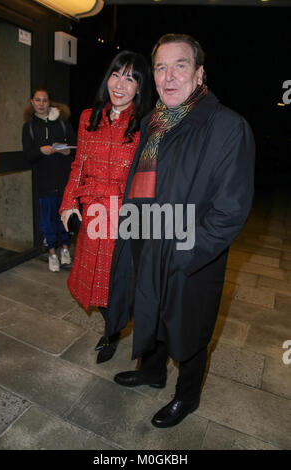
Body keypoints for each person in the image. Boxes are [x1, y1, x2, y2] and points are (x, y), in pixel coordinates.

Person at [105, 33, 255, 428]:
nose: (169, 76)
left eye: (180, 65)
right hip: (146, 240)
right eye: (160, 67)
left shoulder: (226, 126)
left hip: (190, 254)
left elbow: (230, 210)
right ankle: (152, 373)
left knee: (189, 329)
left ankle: (186, 396)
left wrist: (184, 253)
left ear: (200, 73)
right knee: (150, 312)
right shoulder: (154, 121)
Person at [59, 50, 152, 364]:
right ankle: (110, 329)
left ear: (140, 87)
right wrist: (68, 204)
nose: (120, 84)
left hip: (123, 219)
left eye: (130, 78)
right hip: (91, 215)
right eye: (116, 74)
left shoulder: (145, 125)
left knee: (118, 286)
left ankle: (112, 333)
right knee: (93, 284)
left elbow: (146, 181)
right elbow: (78, 166)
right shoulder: (89, 117)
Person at [22, 88, 77, 272]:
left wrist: (68, 151)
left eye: (44, 100)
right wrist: (40, 151)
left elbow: (75, 147)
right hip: (43, 182)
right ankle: (52, 253)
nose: (41, 103)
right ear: (32, 102)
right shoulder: (29, 127)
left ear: (49, 102)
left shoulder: (62, 123)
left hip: (63, 180)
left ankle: (65, 249)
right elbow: (28, 155)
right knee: (47, 220)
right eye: (37, 100)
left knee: (65, 218)